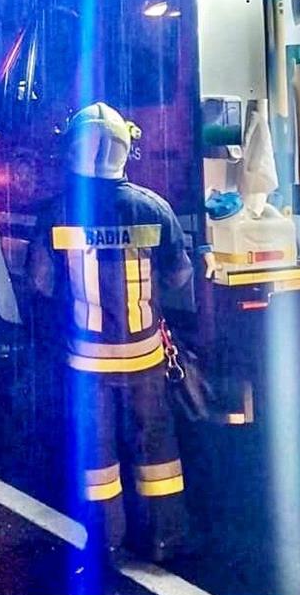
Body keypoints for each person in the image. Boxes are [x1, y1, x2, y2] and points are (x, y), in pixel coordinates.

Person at [27, 101, 193, 564]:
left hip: (86, 361)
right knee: (156, 449)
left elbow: (39, 283)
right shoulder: (154, 208)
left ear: (71, 150)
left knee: (96, 456)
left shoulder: (56, 212)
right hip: (146, 359)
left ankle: (105, 542)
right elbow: (179, 277)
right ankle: (165, 537)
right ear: (126, 150)